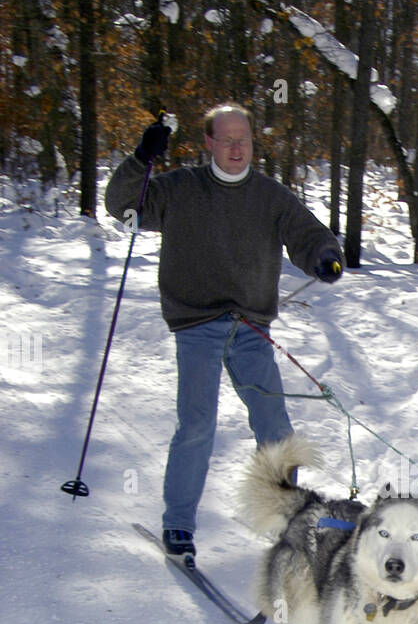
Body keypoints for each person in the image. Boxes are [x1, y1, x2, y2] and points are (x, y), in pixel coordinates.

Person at [105, 104, 343, 559]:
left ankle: (286, 518)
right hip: (196, 324)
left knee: (275, 425)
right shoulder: (180, 189)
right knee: (197, 425)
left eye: (245, 139)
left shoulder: (270, 196)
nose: (237, 148)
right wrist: (141, 158)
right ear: (209, 143)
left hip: (251, 325)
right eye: (227, 139)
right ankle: (178, 525)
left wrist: (324, 256)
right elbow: (122, 206)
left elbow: (307, 233)